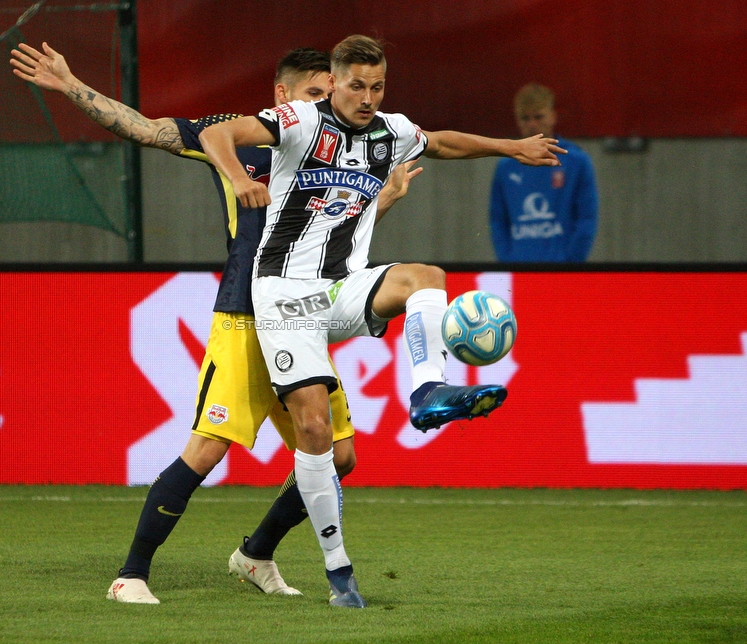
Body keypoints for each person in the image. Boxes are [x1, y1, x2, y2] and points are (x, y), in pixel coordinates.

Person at [10, 42, 420, 605]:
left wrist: (383, 202)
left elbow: (334, 225)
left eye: (334, 94)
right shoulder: (244, 139)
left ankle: (255, 554)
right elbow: (146, 129)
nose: (332, 105)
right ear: (283, 94)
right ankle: (131, 575)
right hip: (246, 317)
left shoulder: (341, 146)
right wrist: (72, 84)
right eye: (317, 94)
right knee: (208, 447)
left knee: (340, 455)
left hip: (301, 317)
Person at [199, 34, 565, 607]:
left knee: (425, 276)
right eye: (357, 85)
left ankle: (426, 393)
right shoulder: (298, 119)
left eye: (377, 86)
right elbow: (216, 132)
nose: (367, 97)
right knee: (317, 432)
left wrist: (511, 146)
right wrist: (240, 177)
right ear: (336, 80)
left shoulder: (389, 131)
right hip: (283, 295)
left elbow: (439, 142)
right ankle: (338, 572)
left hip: (342, 288)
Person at [489, 83, 599, 262]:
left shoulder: (576, 161)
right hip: (519, 269)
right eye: (525, 118)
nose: (532, 124)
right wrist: (508, 261)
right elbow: (498, 220)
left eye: (538, 117)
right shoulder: (506, 167)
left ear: (553, 116)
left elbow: (586, 219)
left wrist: (572, 263)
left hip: (563, 270)